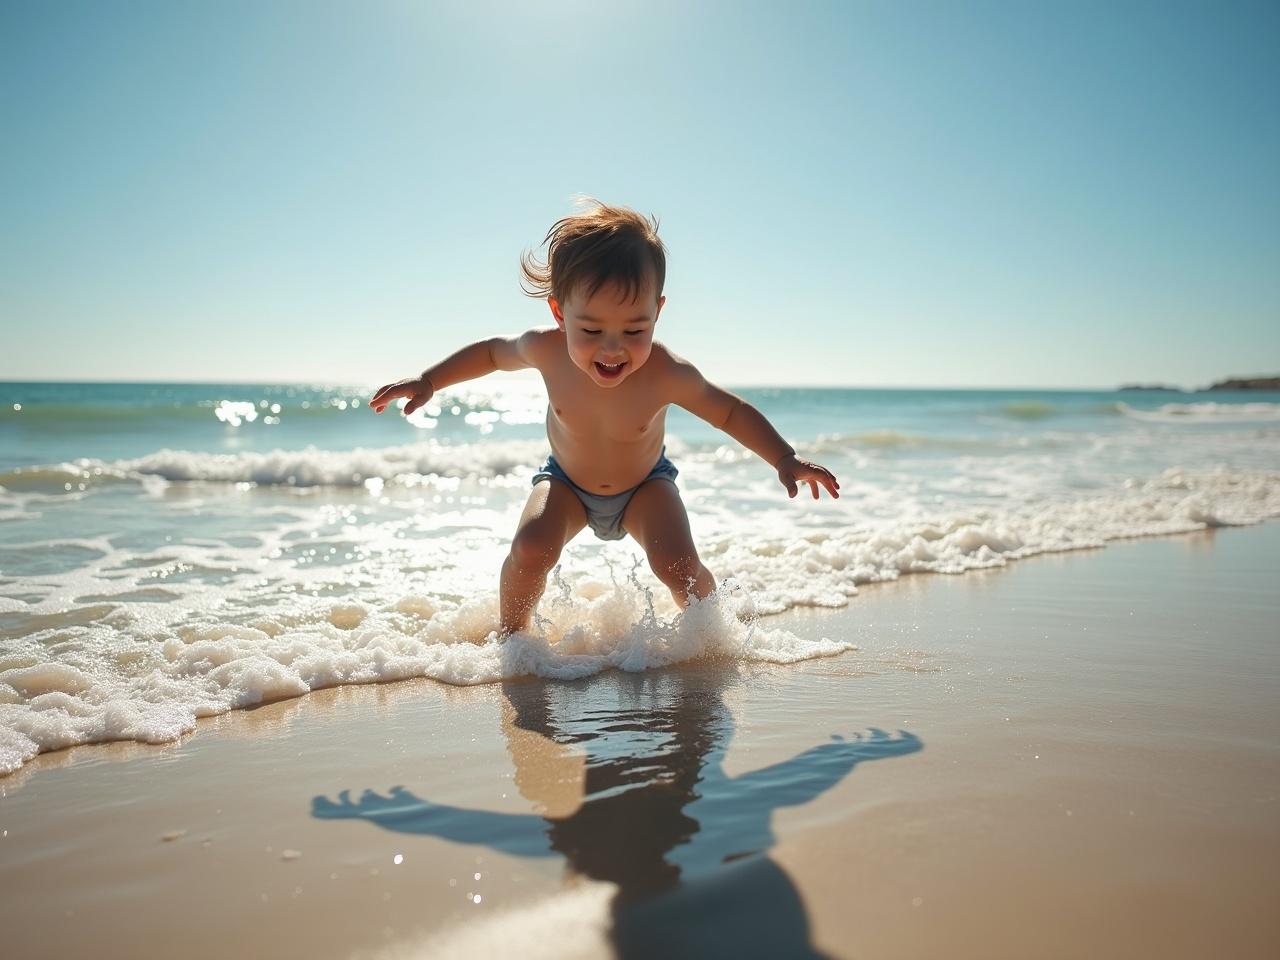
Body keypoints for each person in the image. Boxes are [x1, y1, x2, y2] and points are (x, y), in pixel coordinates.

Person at [371, 200, 839, 635]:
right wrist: (429, 381)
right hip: (566, 485)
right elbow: (493, 353)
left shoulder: (666, 373)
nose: (613, 347)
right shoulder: (544, 349)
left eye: (635, 329)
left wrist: (784, 458)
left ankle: (715, 637)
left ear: (657, 311)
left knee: (677, 563)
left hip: (645, 489)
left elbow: (730, 412)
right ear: (559, 312)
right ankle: (512, 640)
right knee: (531, 548)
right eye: (591, 329)